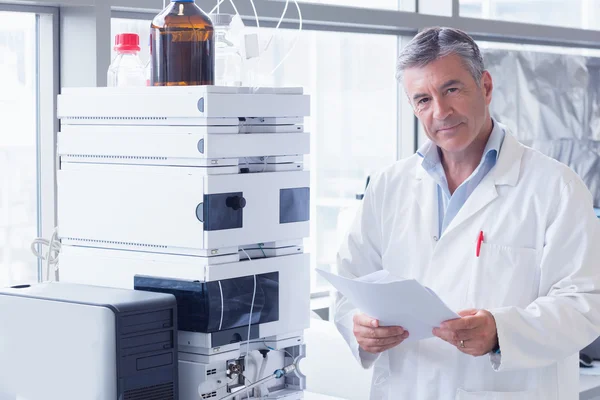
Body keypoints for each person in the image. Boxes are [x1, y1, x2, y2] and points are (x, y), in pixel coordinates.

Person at [334, 26, 600, 400]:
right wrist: (358, 326)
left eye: (452, 89)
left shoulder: (556, 187)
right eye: (423, 99)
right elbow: (350, 282)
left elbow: (585, 303)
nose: (440, 112)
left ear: (486, 87)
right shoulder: (387, 186)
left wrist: (501, 331)